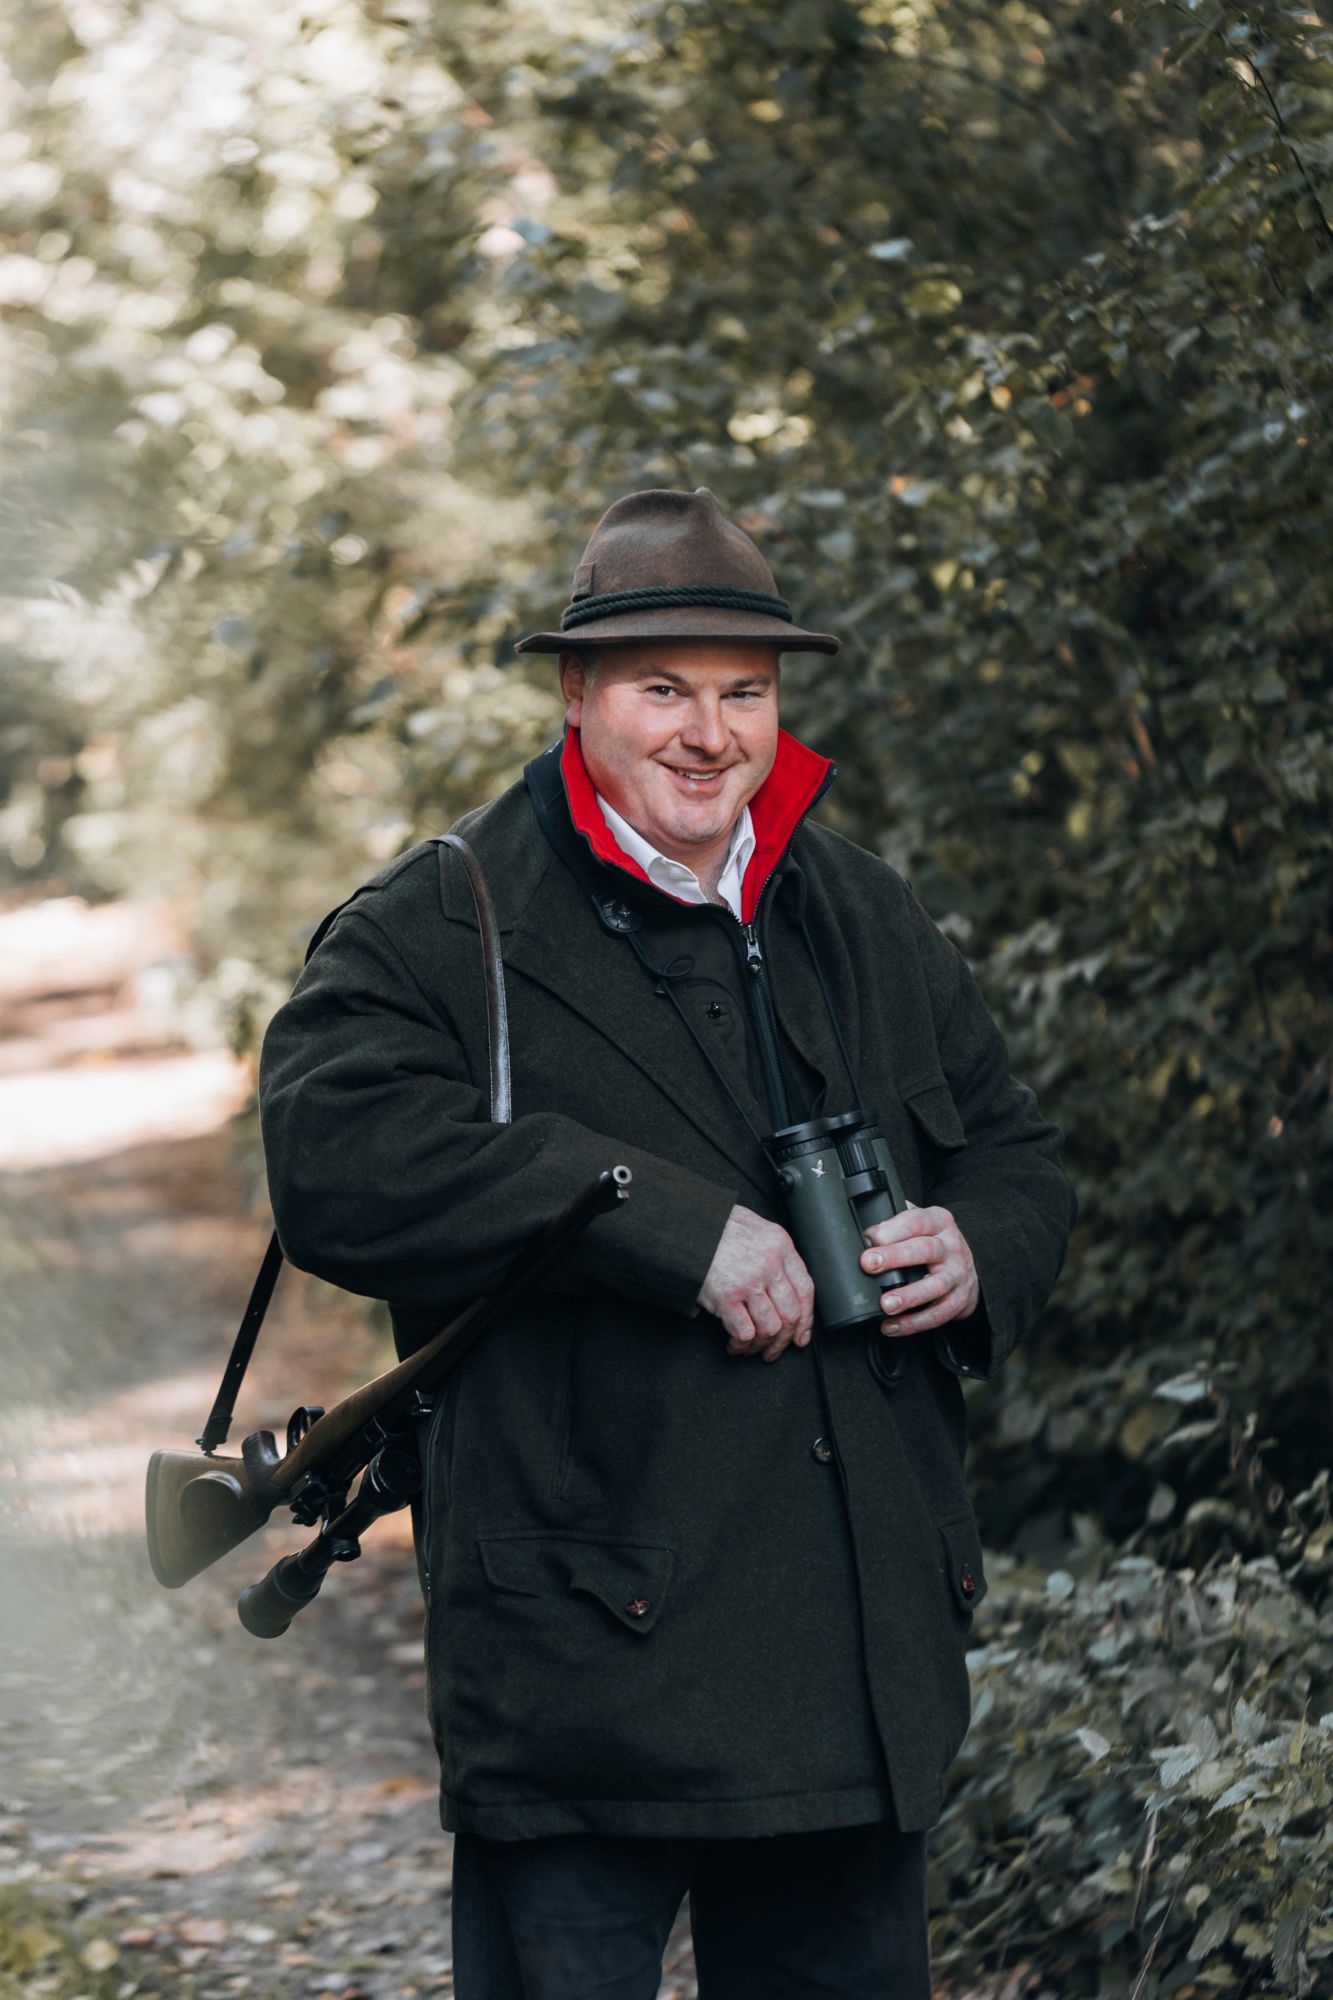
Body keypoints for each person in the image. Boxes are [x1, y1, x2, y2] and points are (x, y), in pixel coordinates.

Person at [258, 486, 1078, 1998]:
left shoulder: (853, 906)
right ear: (577, 695)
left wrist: (980, 1248)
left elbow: (1012, 1151)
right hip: (584, 1664)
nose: (709, 734)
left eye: (743, 694)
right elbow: (333, 1165)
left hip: (849, 1668)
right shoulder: (447, 918)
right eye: (662, 690)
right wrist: (664, 1226)